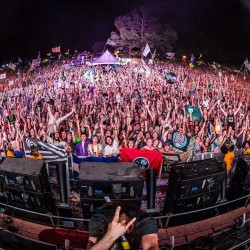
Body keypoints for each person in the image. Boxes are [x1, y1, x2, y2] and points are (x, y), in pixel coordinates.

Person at [87, 205, 159, 250]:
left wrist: (111, 235)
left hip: (110, 208)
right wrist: (111, 236)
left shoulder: (98, 219)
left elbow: (151, 245)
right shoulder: (147, 220)